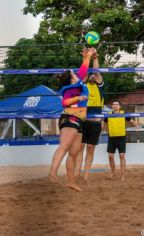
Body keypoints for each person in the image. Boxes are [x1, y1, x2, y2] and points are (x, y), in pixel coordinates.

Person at [48, 47, 96, 191]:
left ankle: (71, 181)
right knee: (64, 147)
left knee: (74, 153)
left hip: (78, 120)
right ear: (71, 79)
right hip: (70, 117)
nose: (76, 74)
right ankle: (52, 173)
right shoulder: (70, 89)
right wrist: (78, 98)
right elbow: (65, 103)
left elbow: (83, 70)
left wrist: (87, 56)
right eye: (73, 74)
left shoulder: (77, 84)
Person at [75, 52, 104, 182]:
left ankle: (86, 174)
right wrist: (85, 57)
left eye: (94, 75)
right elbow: (84, 72)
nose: (92, 75)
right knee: (80, 148)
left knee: (90, 149)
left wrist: (95, 57)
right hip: (83, 120)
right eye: (90, 74)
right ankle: (77, 173)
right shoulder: (84, 83)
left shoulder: (99, 84)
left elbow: (96, 71)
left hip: (95, 123)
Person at [104, 101, 137, 180]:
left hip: (121, 137)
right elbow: (103, 122)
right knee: (110, 157)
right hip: (111, 137)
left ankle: (123, 175)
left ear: (119, 107)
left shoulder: (123, 113)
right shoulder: (108, 115)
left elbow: (131, 121)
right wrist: (101, 127)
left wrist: (135, 123)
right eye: (114, 104)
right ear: (112, 106)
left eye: (117, 104)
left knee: (122, 156)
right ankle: (113, 173)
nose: (115, 106)